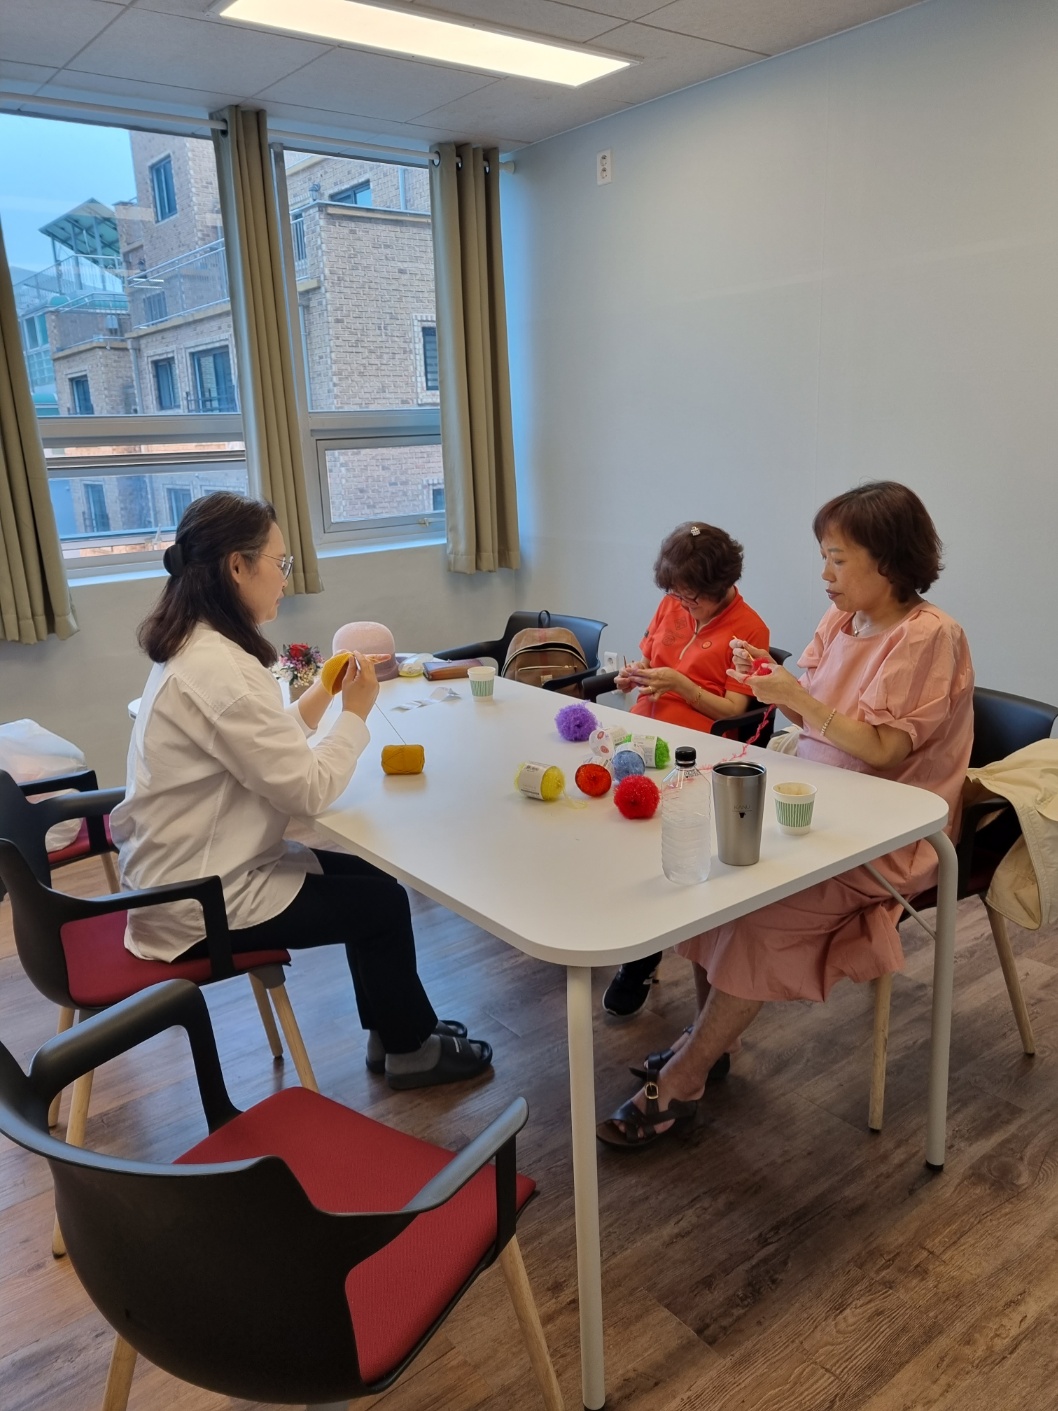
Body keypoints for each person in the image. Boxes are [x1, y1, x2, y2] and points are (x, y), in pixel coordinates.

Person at [597, 481, 974, 1147]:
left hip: (889, 829)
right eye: (824, 557)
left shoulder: (929, 637)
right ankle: (709, 1043)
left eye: (838, 559)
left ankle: (685, 1076)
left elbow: (884, 751)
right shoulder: (842, 622)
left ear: (888, 561)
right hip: (816, 804)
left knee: (760, 913)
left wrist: (794, 696)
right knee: (711, 885)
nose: (825, 574)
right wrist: (773, 686)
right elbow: (810, 710)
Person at [110, 492, 491, 1090]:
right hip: (202, 899)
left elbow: (257, 748)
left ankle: (395, 1030)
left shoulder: (199, 646)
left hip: (192, 869)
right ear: (238, 566)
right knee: (383, 908)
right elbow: (308, 790)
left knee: (375, 882)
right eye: (280, 563)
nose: (286, 579)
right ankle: (411, 1051)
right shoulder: (222, 671)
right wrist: (356, 712)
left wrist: (321, 696)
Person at [602, 521, 771, 1018]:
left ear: (721, 586)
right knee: (617, 831)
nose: (682, 604)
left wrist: (680, 684)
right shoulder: (671, 604)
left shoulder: (750, 629)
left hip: (697, 753)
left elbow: (735, 709)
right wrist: (631, 676)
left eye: (691, 597)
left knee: (660, 840)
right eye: (676, 594)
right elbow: (648, 660)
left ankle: (641, 956)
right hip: (643, 738)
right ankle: (632, 935)